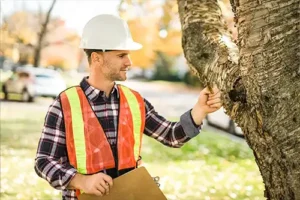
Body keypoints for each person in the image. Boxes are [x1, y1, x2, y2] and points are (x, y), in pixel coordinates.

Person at [34, 14, 222, 199]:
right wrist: (81, 181)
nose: (129, 62)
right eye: (121, 55)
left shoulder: (134, 101)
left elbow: (171, 136)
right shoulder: (64, 105)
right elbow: (43, 161)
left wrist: (200, 110)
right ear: (97, 58)